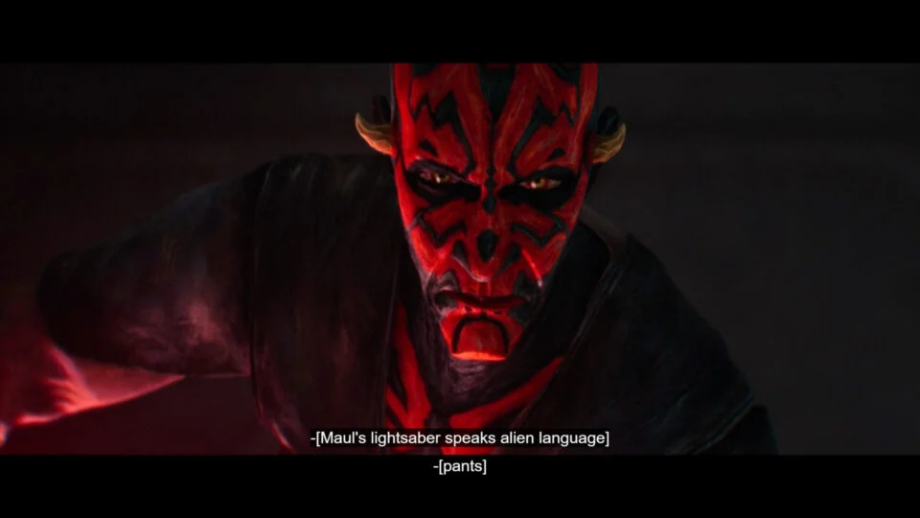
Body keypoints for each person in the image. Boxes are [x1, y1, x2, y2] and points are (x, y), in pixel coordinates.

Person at [0, 63, 777, 454]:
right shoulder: (295, 239)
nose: (482, 250)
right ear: (393, 152)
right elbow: (37, 356)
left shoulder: (669, 391)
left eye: (536, 188)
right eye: (441, 183)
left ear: (587, 168)